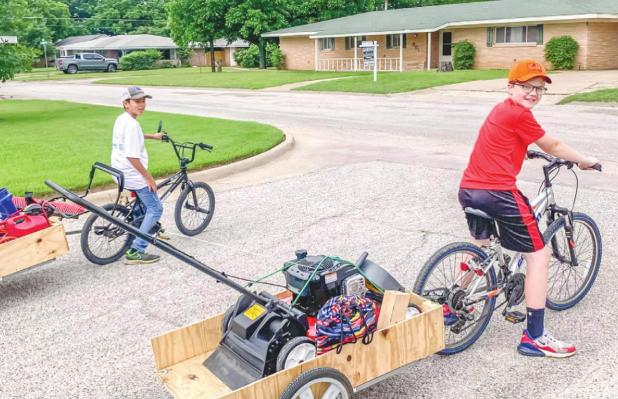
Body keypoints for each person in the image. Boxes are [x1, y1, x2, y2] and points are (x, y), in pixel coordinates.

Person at [457, 59, 599, 358]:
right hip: (497, 193)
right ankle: (534, 337)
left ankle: (452, 304)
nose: (533, 93)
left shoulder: (500, 111)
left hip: (470, 189)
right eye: (526, 87)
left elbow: (506, 142)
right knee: (539, 254)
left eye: (539, 89)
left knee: (480, 248)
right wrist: (583, 160)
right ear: (511, 87)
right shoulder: (518, 113)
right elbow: (555, 146)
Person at [112, 86, 165, 264]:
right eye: (137, 101)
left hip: (119, 170)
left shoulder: (122, 119)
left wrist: (154, 136)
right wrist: (148, 177)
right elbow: (132, 156)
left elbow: (136, 137)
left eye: (143, 101)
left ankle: (141, 227)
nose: (141, 105)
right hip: (133, 174)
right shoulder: (132, 124)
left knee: (144, 206)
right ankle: (136, 250)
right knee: (156, 209)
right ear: (126, 103)